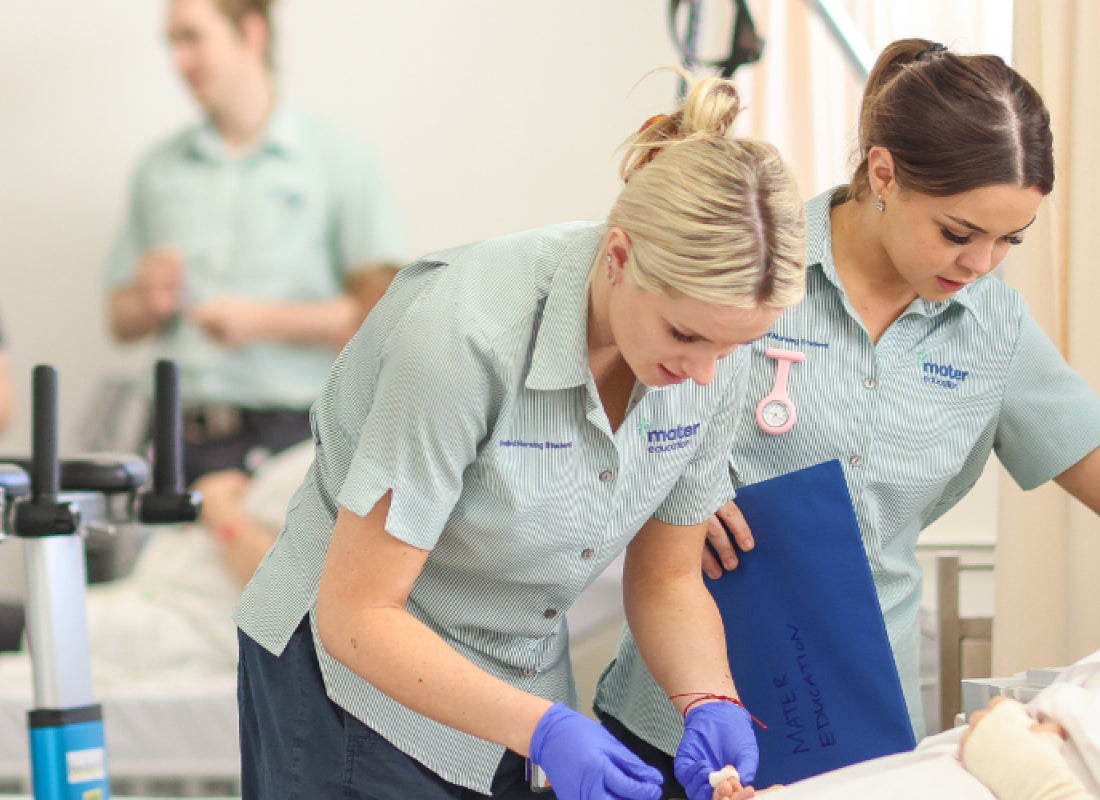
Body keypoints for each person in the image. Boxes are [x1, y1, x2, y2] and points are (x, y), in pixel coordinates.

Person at [232, 69, 808, 800]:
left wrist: (709, 697)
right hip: (348, 677)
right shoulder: (464, 337)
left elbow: (666, 578)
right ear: (620, 258)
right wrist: (544, 729)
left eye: (725, 352)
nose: (703, 375)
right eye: (685, 335)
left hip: (512, 685)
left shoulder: (715, 349)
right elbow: (359, 615)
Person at [593, 37, 1100, 795]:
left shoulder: (993, 324)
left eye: (1008, 240)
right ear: (883, 172)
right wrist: (679, 482)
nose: (981, 264)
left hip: (849, 730)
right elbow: (605, 416)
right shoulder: (757, 263)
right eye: (959, 233)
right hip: (676, 710)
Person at [104, 0, 406, 485]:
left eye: (192, 38)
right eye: (172, 44)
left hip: (292, 437)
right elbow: (119, 319)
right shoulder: (157, 168)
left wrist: (263, 321)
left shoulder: (338, 158)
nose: (178, 62)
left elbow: (387, 313)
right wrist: (146, 298)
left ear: (250, 32)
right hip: (174, 435)